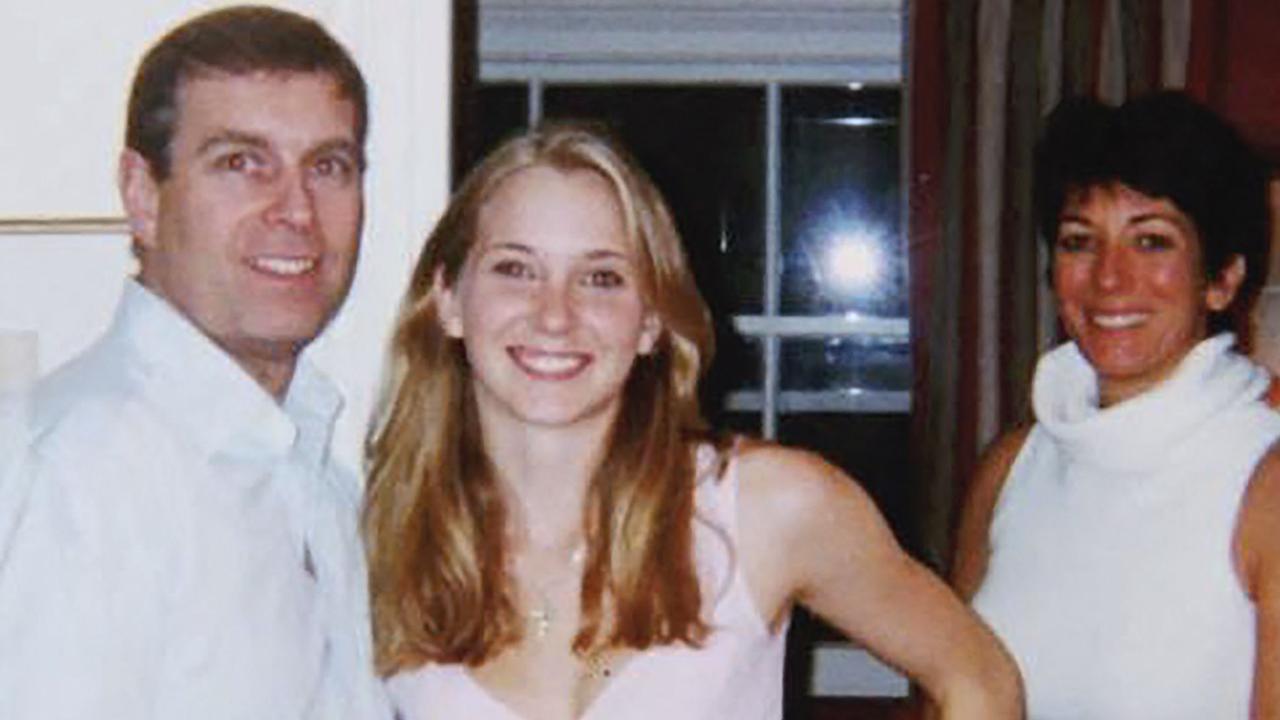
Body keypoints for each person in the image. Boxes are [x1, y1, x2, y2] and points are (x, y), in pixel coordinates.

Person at [363, 123, 1022, 719]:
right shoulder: (377, 541)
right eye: (516, 269)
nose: (555, 314)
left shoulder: (764, 507)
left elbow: (979, 679)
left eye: (601, 278)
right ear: (447, 300)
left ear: (651, 320)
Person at [0, 6, 386, 718]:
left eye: (327, 166)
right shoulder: (88, 475)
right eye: (242, 163)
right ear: (143, 197)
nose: (296, 210)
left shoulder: (312, 476)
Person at [951, 91, 1280, 719]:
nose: (1108, 278)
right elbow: (951, 695)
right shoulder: (1012, 466)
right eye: (1080, 241)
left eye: (1151, 241)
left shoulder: (1265, 482)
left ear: (1223, 279)